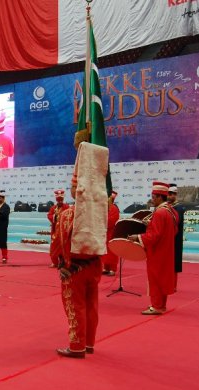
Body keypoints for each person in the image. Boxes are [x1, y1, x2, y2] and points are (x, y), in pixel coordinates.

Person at [54, 142, 109, 358]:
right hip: (94, 265)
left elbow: (60, 243)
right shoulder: (101, 213)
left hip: (74, 268)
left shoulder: (68, 215)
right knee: (91, 305)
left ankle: (76, 346)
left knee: (75, 306)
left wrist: (61, 263)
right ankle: (88, 344)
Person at [128, 181, 178, 315]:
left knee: (155, 278)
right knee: (162, 278)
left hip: (158, 251)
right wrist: (151, 223)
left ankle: (156, 306)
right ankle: (161, 305)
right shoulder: (171, 211)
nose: (152, 199)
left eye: (154, 197)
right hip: (167, 249)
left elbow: (153, 236)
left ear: (160, 197)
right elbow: (172, 229)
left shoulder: (160, 213)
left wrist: (137, 237)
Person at [167, 183, 185, 290]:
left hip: (175, 238)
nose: (170, 196)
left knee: (174, 263)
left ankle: (173, 285)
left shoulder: (179, 208)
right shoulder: (166, 206)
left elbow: (175, 223)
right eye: (168, 194)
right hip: (167, 239)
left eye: (172, 194)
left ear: (176, 195)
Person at [47, 189, 69, 268]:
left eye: (61, 199)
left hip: (64, 232)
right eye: (58, 200)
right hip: (55, 231)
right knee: (53, 247)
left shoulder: (67, 207)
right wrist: (54, 217)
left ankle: (64, 262)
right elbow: (49, 215)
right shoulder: (53, 208)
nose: (59, 201)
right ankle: (55, 262)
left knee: (64, 247)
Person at [101, 191, 120, 276]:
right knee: (104, 251)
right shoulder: (104, 208)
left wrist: (103, 223)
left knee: (112, 251)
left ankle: (113, 269)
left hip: (111, 233)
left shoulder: (114, 208)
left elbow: (112, 220)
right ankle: (106, 267)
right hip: (104, 233)